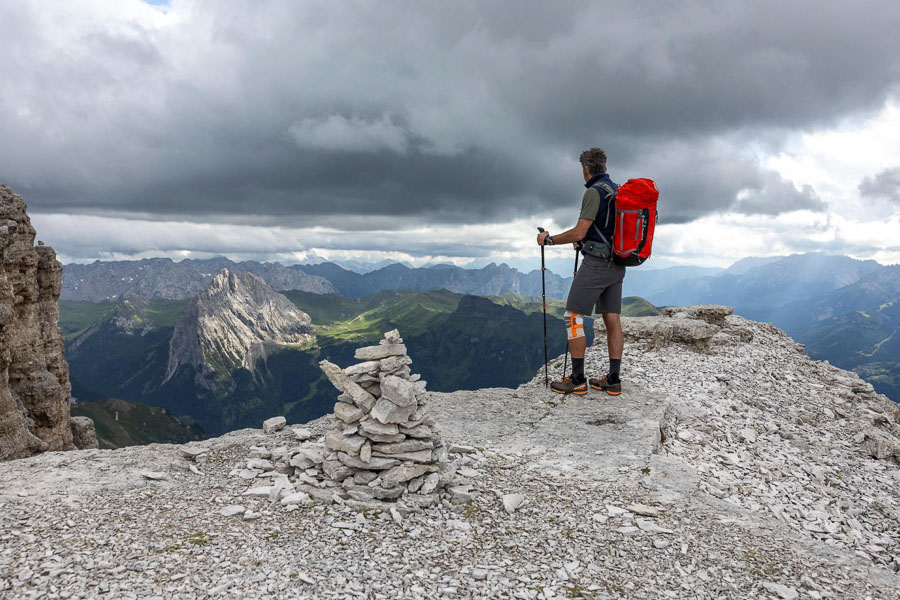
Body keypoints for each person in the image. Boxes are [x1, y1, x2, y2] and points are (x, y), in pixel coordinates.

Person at [536, 147, 625, 396]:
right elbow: (605, 229)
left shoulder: (594, 193)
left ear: (584, 170)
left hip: (597, 265)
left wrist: (549, 239)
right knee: (611, 318)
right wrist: (586, 241)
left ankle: (577, 380)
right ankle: (613, 379)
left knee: (572, 317)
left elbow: (579, 231)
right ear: (605, 168)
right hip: (618, 264)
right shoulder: (617, 191)